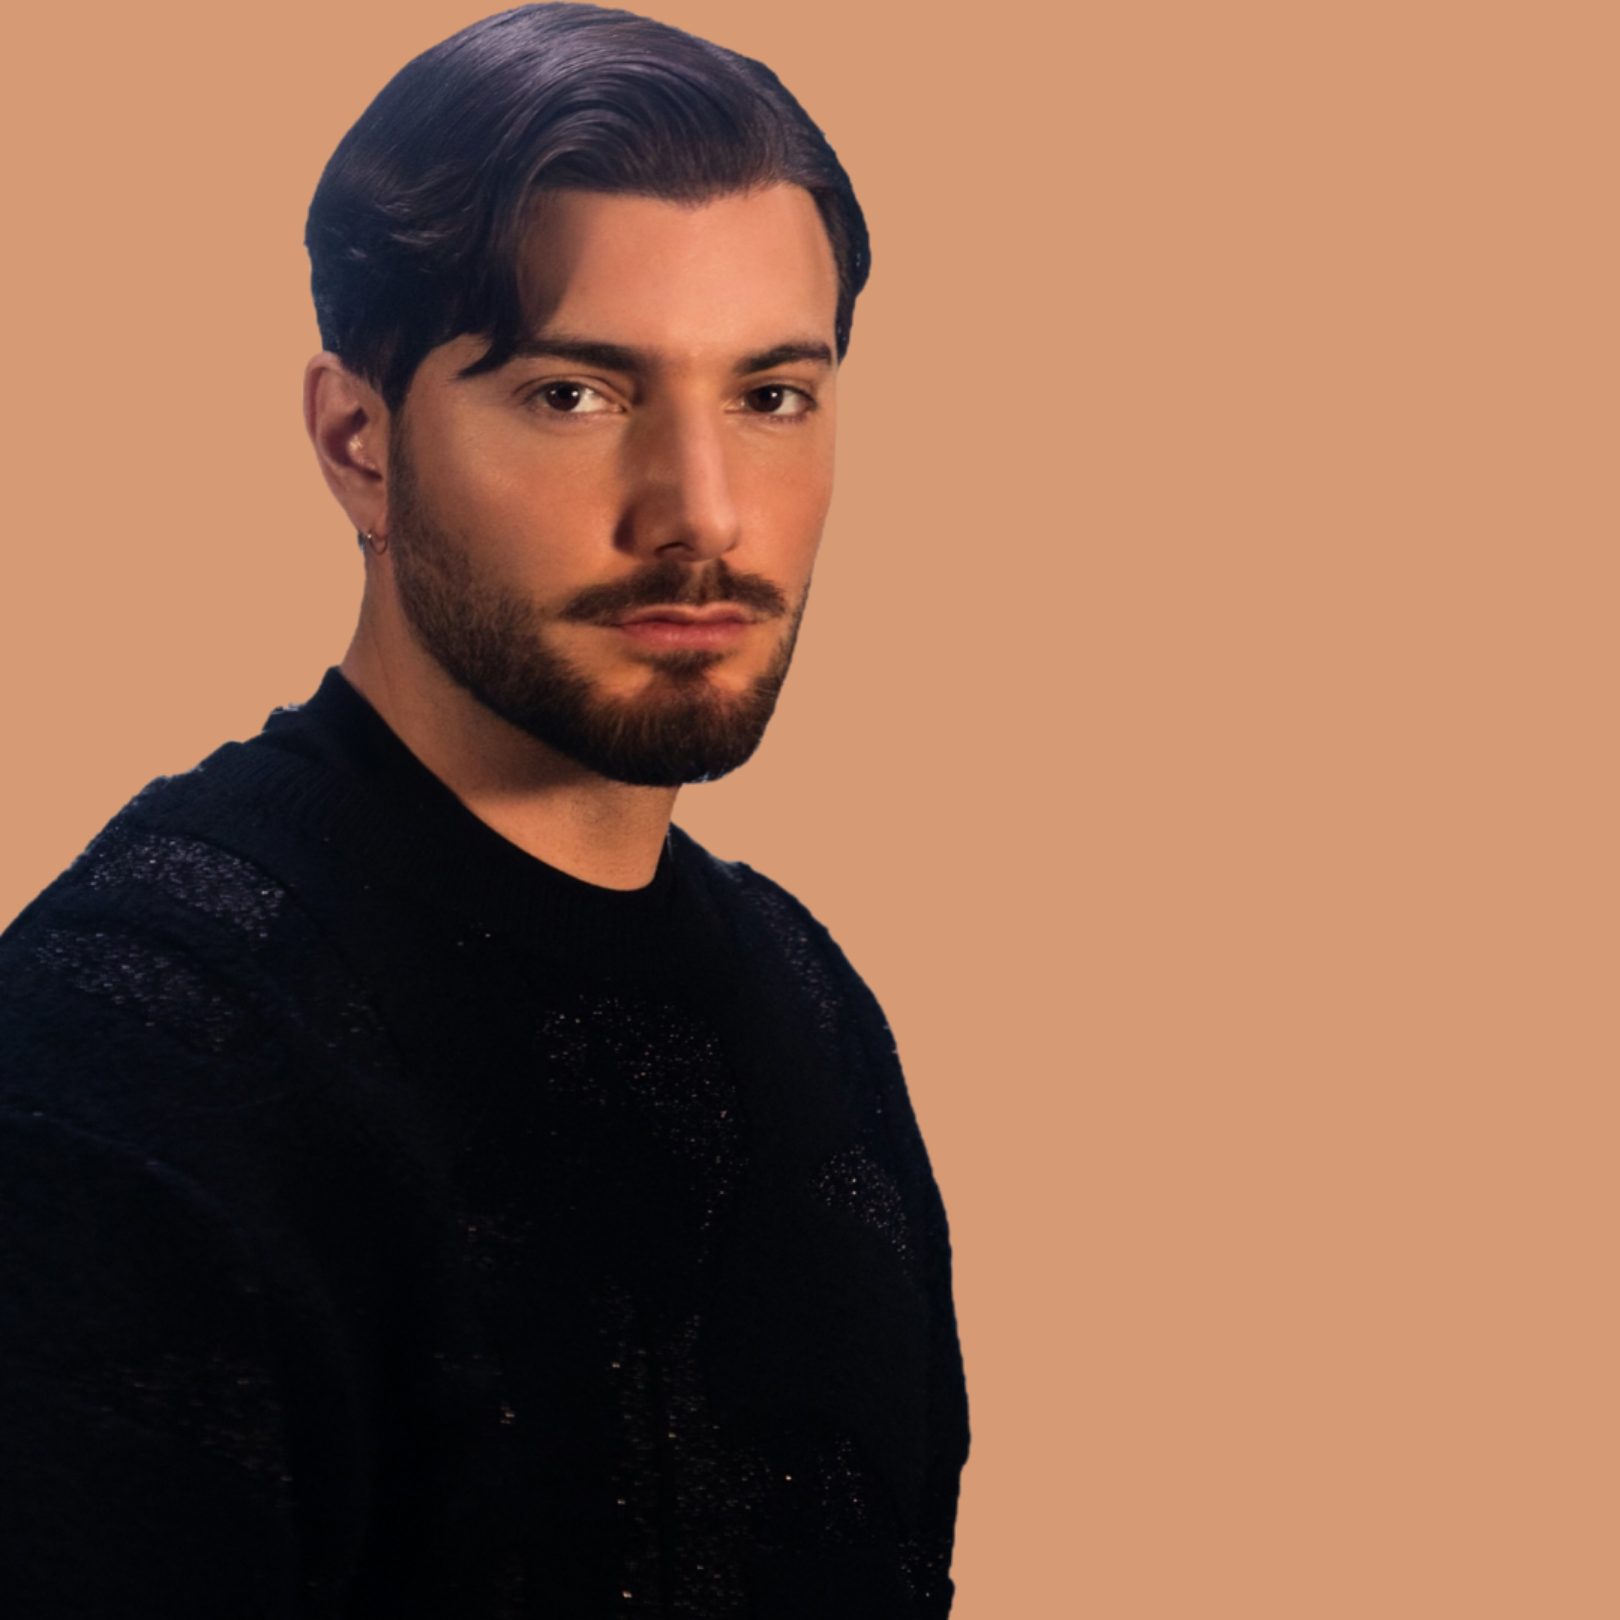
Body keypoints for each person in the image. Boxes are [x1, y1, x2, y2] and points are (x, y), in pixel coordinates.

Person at [0, 5, 969, 1617]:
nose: (702, 515)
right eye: (575, 394)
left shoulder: (807, 1001)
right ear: (357, 440)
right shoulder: (132, 1049)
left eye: (771, 395)